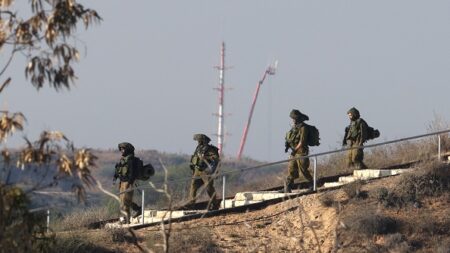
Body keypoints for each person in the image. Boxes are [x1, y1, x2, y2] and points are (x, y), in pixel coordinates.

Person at [284, 109, 314, 193]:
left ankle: (311, 185)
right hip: (294, 152)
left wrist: (295, 150)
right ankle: (288, 186)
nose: (293, 120)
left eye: (294, 118)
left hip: (301, 152)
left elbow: (302, 141)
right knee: (291, 169)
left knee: (303, 170)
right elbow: (291, 138)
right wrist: (288, 146)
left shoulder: (304, 128)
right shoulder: (294, 128)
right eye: (292, 118)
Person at [189, 134, 220, 210]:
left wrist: (205, 157)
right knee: (193, 186)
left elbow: (216, 158)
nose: (198, 142)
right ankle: (191, 203)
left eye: (199, 141)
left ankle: (215, 203)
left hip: (206, 171)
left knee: (209, 188)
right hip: (197, 170)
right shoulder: (198, 148)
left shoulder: (210, 149)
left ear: (203, 141)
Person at [113, 142, 142, 223]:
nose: (122, 151)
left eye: (123, 149)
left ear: (128, 150)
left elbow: (133, 173)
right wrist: (115, 178)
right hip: (122, 182)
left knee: (125, 203)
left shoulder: (131, 160)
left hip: (128, 182)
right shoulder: (123, 159)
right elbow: (118, 169)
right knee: (123, 201)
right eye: (121, 149)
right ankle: (137, 209)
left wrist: (129, 182)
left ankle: (126, 219)